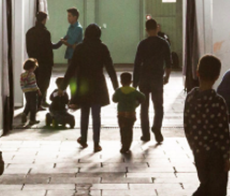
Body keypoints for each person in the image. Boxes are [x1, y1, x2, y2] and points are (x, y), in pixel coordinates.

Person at [177, 54, 230, 196]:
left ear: (197, 73)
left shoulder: (191, 98)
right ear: (217, 76)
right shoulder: (218, 102)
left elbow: (187, 126)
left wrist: (195, 148)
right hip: (216, 153)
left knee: (208, 186)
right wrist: (226, 157)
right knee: (217, 192)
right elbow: (223, 133)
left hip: (199, 152)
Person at [65, 22, 117, 152]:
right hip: (98, 84)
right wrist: (116, 87)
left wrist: (62, 86)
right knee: (96, 114)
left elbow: (71, 69)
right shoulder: (102, 48)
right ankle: (96, 143)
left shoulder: (80, 48)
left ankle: (83, 138)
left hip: (83, 84)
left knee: (84, 113)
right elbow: (110, 68)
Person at [133, 18, 173, 144]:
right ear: (157, 28)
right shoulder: (164, 43)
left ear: (146, 30)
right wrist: (166, 77)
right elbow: (169, 62)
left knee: (144, 107)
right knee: (158, 106)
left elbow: (137, 64)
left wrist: (135, 83)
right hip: (157, 78)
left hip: (144, 78)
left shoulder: (142, 44)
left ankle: (145, 134)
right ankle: (157, 127)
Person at [25, 11, 65, 101]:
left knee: (35, 82)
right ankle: (41, 101)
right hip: (45, 63)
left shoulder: (29, 32)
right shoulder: (46, 33)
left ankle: (35, 102)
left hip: (34, 62)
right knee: (44, 83)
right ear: (44, 20)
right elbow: (50, 48)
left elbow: (28, 48)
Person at [111, 71, 146, 155]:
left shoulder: (119, 91)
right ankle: (128, 145)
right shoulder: (134, 91)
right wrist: (137, 103)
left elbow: (114, 99)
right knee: (129, 129)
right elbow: (143, 97)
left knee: (123, 130)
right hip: (131, 115)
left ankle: (123, 145)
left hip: (121, 115)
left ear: (121, 82)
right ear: (131, 82)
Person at [20, 58, 41, 126]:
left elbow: (21, 83)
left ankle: (24, 113)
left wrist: (24, 89)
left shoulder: (22, 75)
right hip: (32, 91)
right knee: (33, 106)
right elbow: (33, 84)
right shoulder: (32, 75)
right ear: (32, 67)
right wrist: (38, 90)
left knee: (28, 103)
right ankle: (32, 120)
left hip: (26, 91)